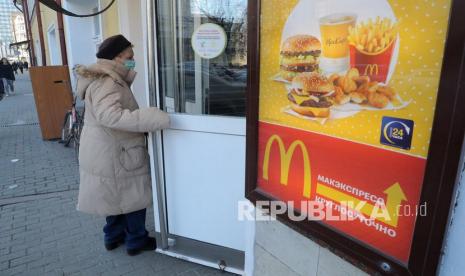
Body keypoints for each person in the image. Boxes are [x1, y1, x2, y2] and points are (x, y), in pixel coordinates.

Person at [75, 34, 170, 256]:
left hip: (104, 148)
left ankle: (112, 237)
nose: (132, 60)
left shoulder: (101, 77)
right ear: (116, 57)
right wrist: (153, 117)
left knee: (114, 196)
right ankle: (136, 241)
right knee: (132, 197)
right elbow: (110, 116)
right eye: (129, 56)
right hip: (116, 150)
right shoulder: (108, 81)